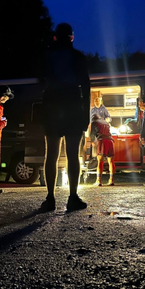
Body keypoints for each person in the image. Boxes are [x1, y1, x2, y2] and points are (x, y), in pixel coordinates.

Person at [40, 23, 90, 211]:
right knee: (72, 154)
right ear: (72, 37)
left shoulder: (47, 57)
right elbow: (85, 85)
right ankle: (72, 196)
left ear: (55, 37)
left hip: (52, 104)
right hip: (72, 104)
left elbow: (41, 81)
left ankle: (50, 197)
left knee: (51, 153)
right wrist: (85, 114)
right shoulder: (78, 57)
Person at [89, 114, 115, 186]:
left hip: (102, 141)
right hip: (110, 141)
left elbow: (92, 134)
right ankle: (111, 180)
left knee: (100, 161)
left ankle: (99, 181)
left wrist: (92, 142)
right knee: (111, 162)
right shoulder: (106, 122)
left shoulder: (94, 123)